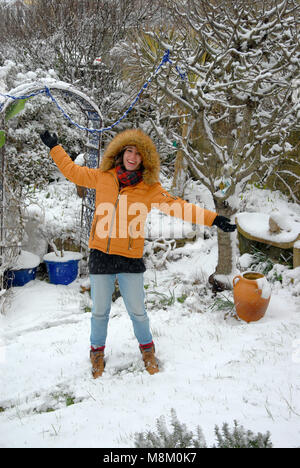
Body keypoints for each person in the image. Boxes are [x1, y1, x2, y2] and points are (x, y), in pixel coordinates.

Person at [40, 128, 236, 378]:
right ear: (120, 154)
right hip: (101, 253)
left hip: (130, 257)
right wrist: (55, 147)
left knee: (138, 312)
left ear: (145, 160)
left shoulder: (149, 189)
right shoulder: (102, 177)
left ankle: (147, 350)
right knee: (100, 311)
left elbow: (179, 207)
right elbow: (72, 172)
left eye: (138, 154)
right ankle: (97, 352)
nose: (132, 157)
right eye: (129, 151)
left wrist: (213, 219)